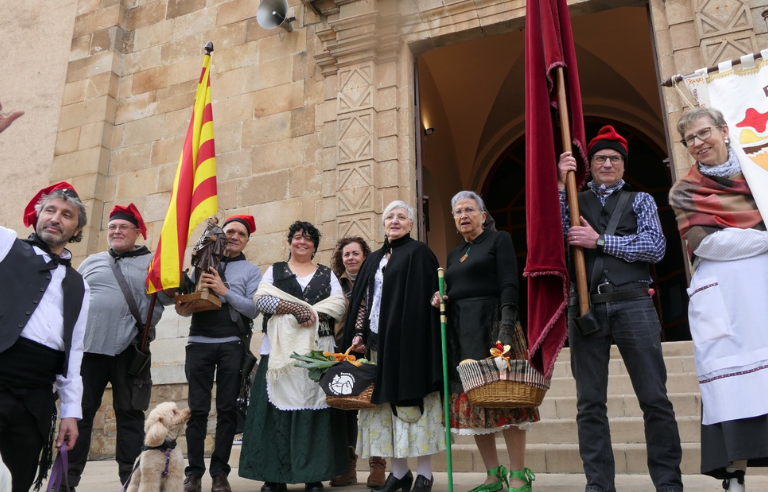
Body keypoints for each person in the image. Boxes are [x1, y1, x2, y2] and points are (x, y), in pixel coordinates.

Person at [557, 126, 683, 492]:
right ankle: (599, 485)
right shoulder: (572, 197)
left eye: (614, 158)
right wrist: (556, 182)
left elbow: (655, 248)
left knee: (655, 399)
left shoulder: (640, 199)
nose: (607, 163)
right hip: (586, 307)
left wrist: (600, 240)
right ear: (590, 165)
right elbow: (551, 232)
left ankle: (668, 483)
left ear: (623, 165)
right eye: (600, 158)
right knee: (589, 405)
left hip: (634, 305)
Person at [669, 107, 768, 492]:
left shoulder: (758, 176)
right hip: (723, 296)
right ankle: (734, 475)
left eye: (704, 132)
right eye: (690, 139)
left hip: (762, 288)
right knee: (731, 385)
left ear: (725, 131)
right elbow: (707, 244)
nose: (698, 142)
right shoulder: (684, 191)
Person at [430, 191, 537, 492]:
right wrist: (440, 298)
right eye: (458, 212)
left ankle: (518, 474)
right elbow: (454, 289)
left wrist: (506, 326)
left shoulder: (498, 239)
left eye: (469, 210)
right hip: (462, 331)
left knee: (507, 400)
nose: (463, 215)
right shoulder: (453, 254)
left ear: (483, 214)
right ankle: (493, 474)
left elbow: (508, 283)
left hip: (493, 326)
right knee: (474, 403)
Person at [66, 204, 172, 490]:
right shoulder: (91, 262)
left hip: (131, 351)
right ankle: (67, 479)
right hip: (89, 351)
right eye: (112, 227)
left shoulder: (155, 262)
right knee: (79, 413)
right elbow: (71, 297)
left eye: (123, 227)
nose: (116, 231)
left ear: (137, 232)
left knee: (130, 416)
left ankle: (130, 479)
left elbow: (173, 297)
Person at [343, 201, 444, 492]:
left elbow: (428, 300)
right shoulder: (374, 259)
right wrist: (359, 332)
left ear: (411, 224)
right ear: (384, 224)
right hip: (377, 346)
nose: (395, 221)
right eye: (390, 217)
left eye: (402, 217)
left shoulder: (420, 253)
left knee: (415, 409)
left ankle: (424, 473)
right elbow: (365, 301)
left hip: (410, 346)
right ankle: (399, 473)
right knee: (383, 410)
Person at [239, 220, 348, 492]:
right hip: (278, 355)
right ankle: (274, 476)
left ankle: (313, 475)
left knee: (315, 411)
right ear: (290, 242)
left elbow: (338, 305)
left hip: (317, 352)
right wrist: (296, 308)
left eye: (309, 239)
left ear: (314, 246)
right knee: (274, 413)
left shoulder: (326, 274)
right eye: (298, 237)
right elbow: (261, 299)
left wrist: (307, 313)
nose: (303, 242)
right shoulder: (275, 271)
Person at [0, 182, 90, 492]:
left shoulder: (80, 285)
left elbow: (74, 352)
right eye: (49, 210)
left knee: (19, 481)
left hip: (36, 399)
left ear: (77, 228)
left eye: (67, 214)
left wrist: (70, 413)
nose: (55, 218)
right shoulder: (6, 245)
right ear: (36, 216)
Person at [178, 215, 262, 492]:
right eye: (230, 232)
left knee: (227, 410)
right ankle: (193, 474)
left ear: (247, 240)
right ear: (220, 236)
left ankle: (219, 473)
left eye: (241, 233)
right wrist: (183, 305)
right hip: (198, 342)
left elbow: (252, 309)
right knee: (198, 410)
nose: (235, 236)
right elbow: (184, 303)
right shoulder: (200, 262)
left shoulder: (251, 270)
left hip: (232, 344)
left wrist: (224, 291)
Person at [329, 236, 387, 488]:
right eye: (346, 254)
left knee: (376, 407)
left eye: (355, 253)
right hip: (345, 351)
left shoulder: (377, 279)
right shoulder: (334, 283)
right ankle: (348, 466)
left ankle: (377, 465)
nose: (350, 258)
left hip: (374, 348)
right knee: (346, 410)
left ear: (365, 255)